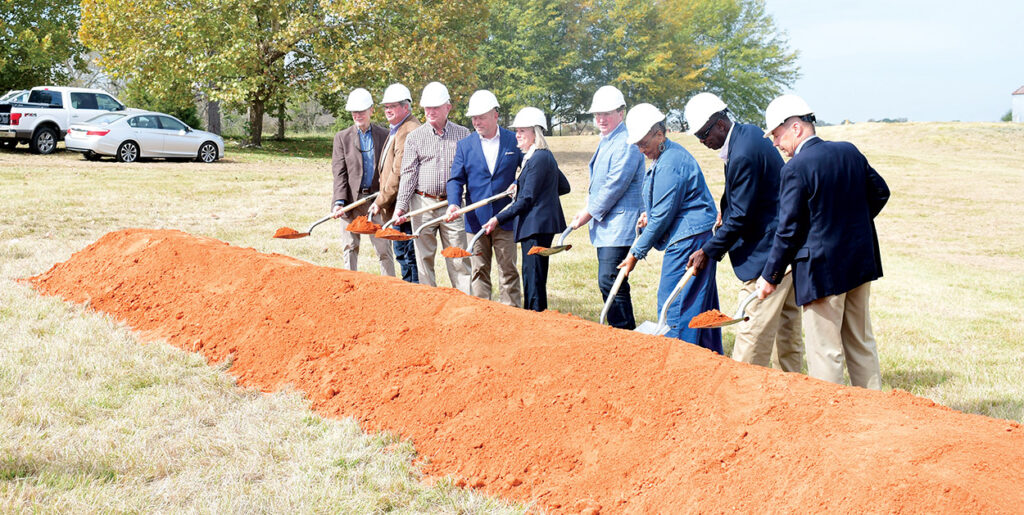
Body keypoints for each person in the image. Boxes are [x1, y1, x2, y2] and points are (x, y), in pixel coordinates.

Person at [756, 94, 890, 389]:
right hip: (858, 262)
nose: (776, 144)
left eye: (777, 135)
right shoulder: (849, 152)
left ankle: (834, 419)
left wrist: (770, 276)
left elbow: (788, 230)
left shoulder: (795, 169)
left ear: (795, 128)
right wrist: (852, 226)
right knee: (861, 342)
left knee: (825, 351)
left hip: (821, 271)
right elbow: (881, 192)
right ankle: (875, 410)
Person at [684, 92, 803, 371]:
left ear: (721, 125)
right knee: (787, 332)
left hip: (768, 255)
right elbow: (742, 199)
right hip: (784, 246)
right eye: (698, 138)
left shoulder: (744, 152)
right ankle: (792, 389)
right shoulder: (747, 135)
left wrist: (708, 250)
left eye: (704, 135)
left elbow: (740, 216)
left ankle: (742, 394)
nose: (703, 142)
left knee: (752, 331)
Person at [617, 104, 721, 351]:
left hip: (688, 241)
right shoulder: (666, 156)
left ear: (659, 134)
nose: (641, 150)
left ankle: (679, 361)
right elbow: (667, 206)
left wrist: (634, 255)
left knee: (675, 305)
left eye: (644, 143)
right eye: (638, 145)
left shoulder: (671, 163)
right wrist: (649, 214)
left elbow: (663, 217)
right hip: (691, 236)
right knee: (698, 303)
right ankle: (707, 358)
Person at [570, 85, 645, 329]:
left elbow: (615, 184)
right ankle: (619, 331)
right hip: (608, 225)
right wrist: (588, 209)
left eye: (607, 113)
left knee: (611, 278)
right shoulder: (608, 140)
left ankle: (625, 332)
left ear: (620, 113)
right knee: (611, 280)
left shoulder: (625, 142)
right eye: (597, 114)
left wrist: (588, 213)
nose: (600, 119)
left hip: (620, 225)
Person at [482, 107, 570, 311]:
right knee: (533, 276)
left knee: (533, 279)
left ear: (535, 132)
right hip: (537, 225)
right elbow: (563, 186)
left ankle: (536, 318)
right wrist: (522, 185)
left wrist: (498, 218)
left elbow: (527, 199)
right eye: (517, 131)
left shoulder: (539, 158)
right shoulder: (538, 156)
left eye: (522, 131)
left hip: (536, 227)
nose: (517, 135)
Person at [446, 90, 523, 306]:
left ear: (495, 115)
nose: (476, 122)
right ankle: (483, 312)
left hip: (505, 218)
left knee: (508, 269)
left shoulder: (512, 140)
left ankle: (512, 313)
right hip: (476, 220)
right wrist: (453, 202)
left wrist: (517, 183)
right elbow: (455, 179)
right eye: (474, 118)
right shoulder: (465, 145)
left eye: (481, 117)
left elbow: (527, 169)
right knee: (479, 270)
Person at [394, 82, 472, 293]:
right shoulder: (415, 137)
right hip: (422, 202)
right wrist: (401, 207)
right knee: (423, 257)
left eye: (435, 108)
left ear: (448, 107)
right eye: (427, 108)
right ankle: (429, 300)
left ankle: (465, 301)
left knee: (457, 255)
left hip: (451, 204)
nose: (430, 112)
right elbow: (408, 175)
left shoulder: (463, 134)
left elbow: (470, 170)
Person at [331, 87, 393, 275]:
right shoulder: (342, 138)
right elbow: (339, 173)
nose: (357, 115)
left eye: (362, 111)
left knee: (384, 249)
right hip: (351, 202)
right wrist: (339, 202)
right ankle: (350, 284)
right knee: (350, 247)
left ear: (371, 110)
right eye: (354, 112)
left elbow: (390, 169)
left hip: (376, 200)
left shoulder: (385, 135)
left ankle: (390, 286)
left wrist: (384, 199)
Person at [368, 83, 420, 283]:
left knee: (408, 256)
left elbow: (398, 172)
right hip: (395, 206)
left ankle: (415, 295)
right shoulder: (397, 128)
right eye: (386, 106)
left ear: (406, 107)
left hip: (403, 207)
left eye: (393, 106)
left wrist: (380, 201)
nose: (388, 110)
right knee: (403, 255)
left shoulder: (408, 130)